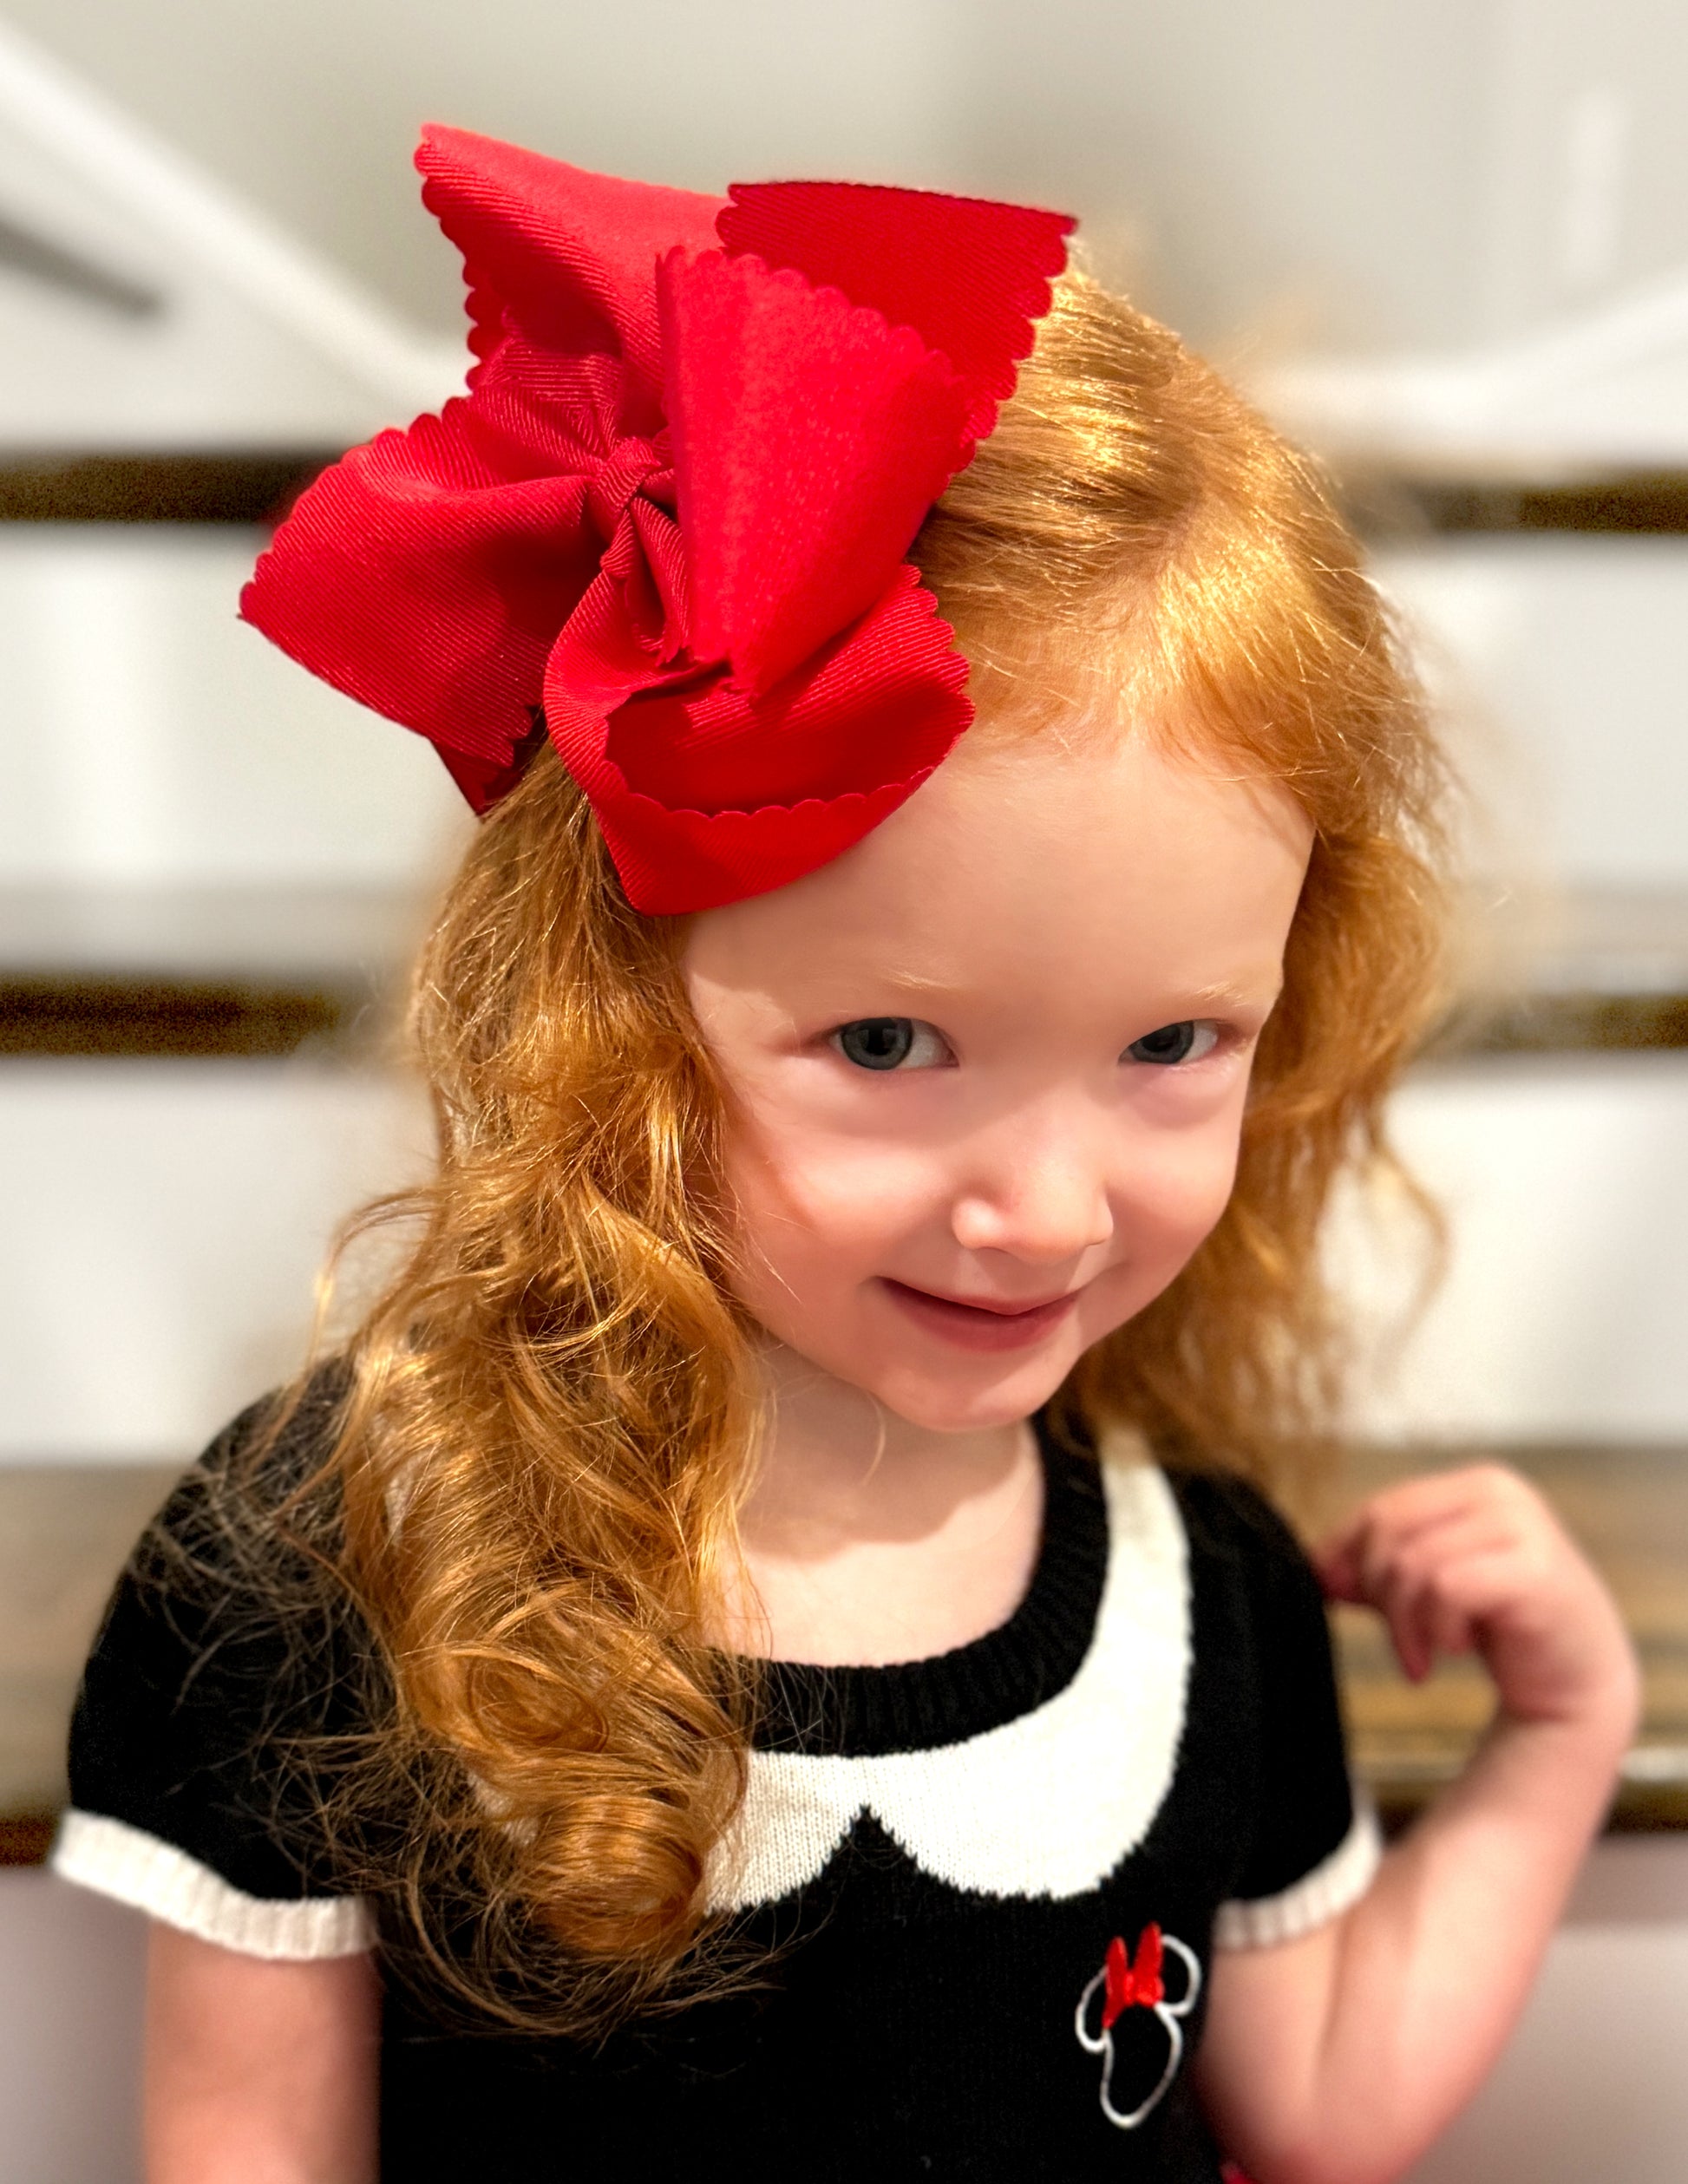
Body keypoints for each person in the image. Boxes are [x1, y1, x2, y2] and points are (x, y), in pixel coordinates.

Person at [54, 128, 1638, 2184]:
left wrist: (1555, 1740)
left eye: (1173, 1043)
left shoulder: (1199, 1587)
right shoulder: (318, 1563)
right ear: (609, 1013)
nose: (1044, 1207)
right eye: (888, 1044)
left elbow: (1319, 2100)